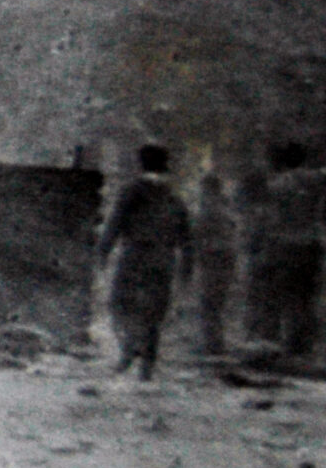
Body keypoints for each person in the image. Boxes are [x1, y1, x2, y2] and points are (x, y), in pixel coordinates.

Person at [100, 144, 193, 381]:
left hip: (135, 254)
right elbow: (186, 239)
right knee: (153, 312)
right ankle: (147, 366)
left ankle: (129, 346)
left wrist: (103, 253)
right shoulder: (174, 197)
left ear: (140, 163)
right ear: (165, 166)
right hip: (164, 258)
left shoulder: (131, 191)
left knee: (120, 303)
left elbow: (115, 224)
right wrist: (186, 271)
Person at [246, 143, 323, 366]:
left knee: (280, 295)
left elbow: (269, 218)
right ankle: (303, 346)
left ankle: (279, 346)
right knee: (306, 297)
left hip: (283, 245)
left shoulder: (276, 185)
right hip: (311, 244)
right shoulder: (317, 180)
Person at [196, 167, 239, 357]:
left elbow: (197, 235)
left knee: (209, 303)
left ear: (208, 189)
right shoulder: (227, 208)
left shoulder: (209, 209)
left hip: (214, 258)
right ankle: (216, 342)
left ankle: (213, 345)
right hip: (226, 259)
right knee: (217, 303)